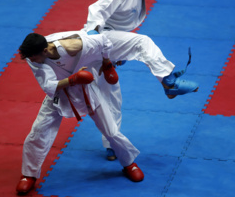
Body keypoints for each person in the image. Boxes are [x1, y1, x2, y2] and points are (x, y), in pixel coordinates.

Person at [84, 0, 199, 160]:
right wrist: (94, 36)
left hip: (107, 50)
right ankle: (168, 82)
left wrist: (117, 54)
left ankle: (112, 143)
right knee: (142, 42)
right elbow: (97, 10)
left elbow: (120, 31)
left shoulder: (139, 1)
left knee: (113, 99)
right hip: (96, 40)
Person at [15, 31, 144, 195]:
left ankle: (129, 163)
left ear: (45, 51)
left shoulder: (77, 45)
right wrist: (73, 79)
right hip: (58, 94)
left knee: (111, 131)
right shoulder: (33, 57)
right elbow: (48, 86)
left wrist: (107, 64)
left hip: (87, 89)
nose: (30, 61)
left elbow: (104, 41)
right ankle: (29, 175)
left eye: (33, 57)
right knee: (39, 131)